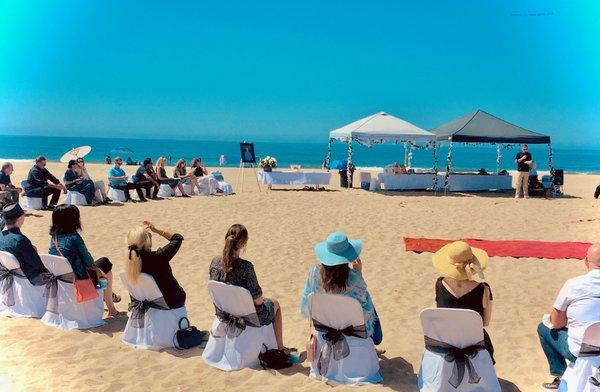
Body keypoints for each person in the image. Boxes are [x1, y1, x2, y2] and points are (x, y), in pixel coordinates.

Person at [300, 231, 384, 352]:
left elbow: (306, 306)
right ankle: (373, 345)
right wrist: (358, 274)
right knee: (368, 302)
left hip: (325, 325)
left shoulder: (313, 274)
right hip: (352, 328)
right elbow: (364, 310)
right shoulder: (355, 279)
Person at [209, 224, 287, 350]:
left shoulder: (214, 262)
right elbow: (258, 301)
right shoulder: (246, 267)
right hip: (249, 317)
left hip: (226, 312)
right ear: (243, 244)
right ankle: (280, 348)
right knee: (275, 303)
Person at [537, 243, 600, 389]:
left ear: (586, 261)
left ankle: (561, 374)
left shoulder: (574, 285)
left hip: (580, 352)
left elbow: (557, 323)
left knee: (543, 328)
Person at [48, 204, 120, 316]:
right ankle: (111, 308)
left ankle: (108, 295)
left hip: (62, 278)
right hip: (79, 278)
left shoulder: (54, 238)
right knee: (105, 265)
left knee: (101, 267)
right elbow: (89, 262)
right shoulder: (74, 238)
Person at [431, 241, 494, 362]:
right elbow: (485, 322)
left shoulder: (439, 284)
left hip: (446, 340)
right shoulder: (483, 289)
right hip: (473, 342)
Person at [125, 222, 186, 309]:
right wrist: (156, 230)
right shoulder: (158, 257)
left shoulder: (130, 262)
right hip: (172, 302)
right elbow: (178, 238)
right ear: (147, 241)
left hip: (147, 302)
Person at [0, 203, 53, 285]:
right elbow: (38, 265)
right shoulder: (20, 240)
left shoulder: (1, 236)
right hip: (27, 279)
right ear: (20, 218)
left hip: (10, 275)